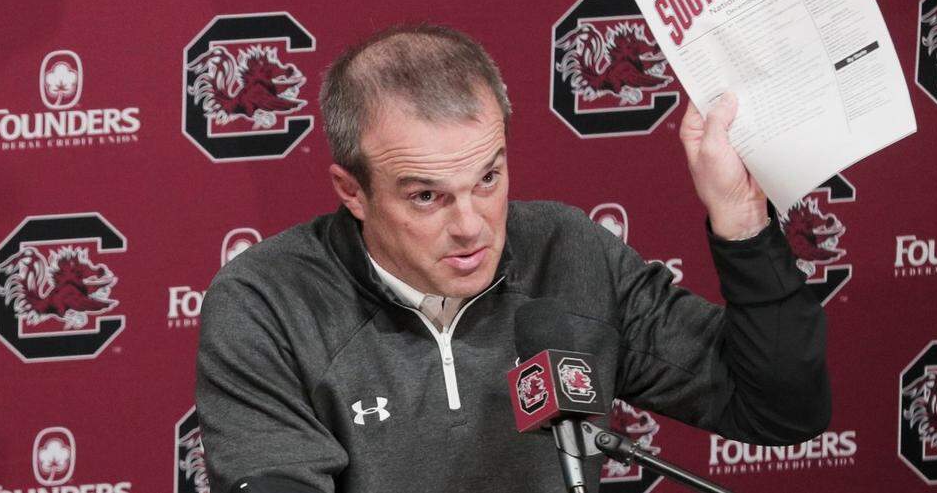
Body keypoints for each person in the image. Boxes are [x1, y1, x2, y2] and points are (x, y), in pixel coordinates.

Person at [195, 24, 830, 493]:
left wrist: (743, 223)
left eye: (488, 179)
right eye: (426, 197)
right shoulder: (267, 303)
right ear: (351, 191)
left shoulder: (567, 251)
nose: (470, 227)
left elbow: (779, 407)